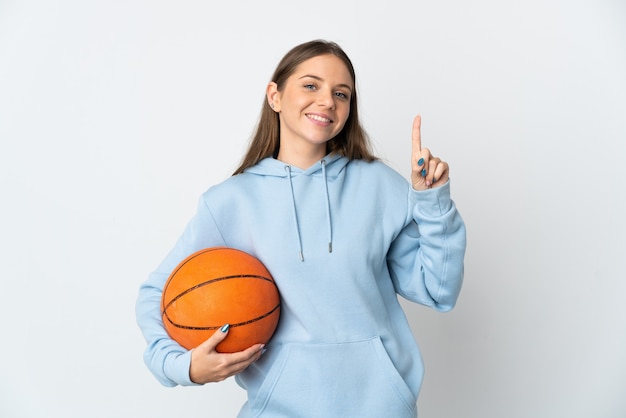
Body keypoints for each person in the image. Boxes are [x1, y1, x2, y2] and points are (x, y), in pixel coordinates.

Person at [136, 39, 466, 418]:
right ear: (274, 96)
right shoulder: (231, 202)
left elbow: (438, 290)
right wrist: (183, 366)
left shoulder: (379, 186)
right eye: (311, 85)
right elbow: (155, 294)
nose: (327, 100)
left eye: (341, 93)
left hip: (381, 408)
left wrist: (433, 201)